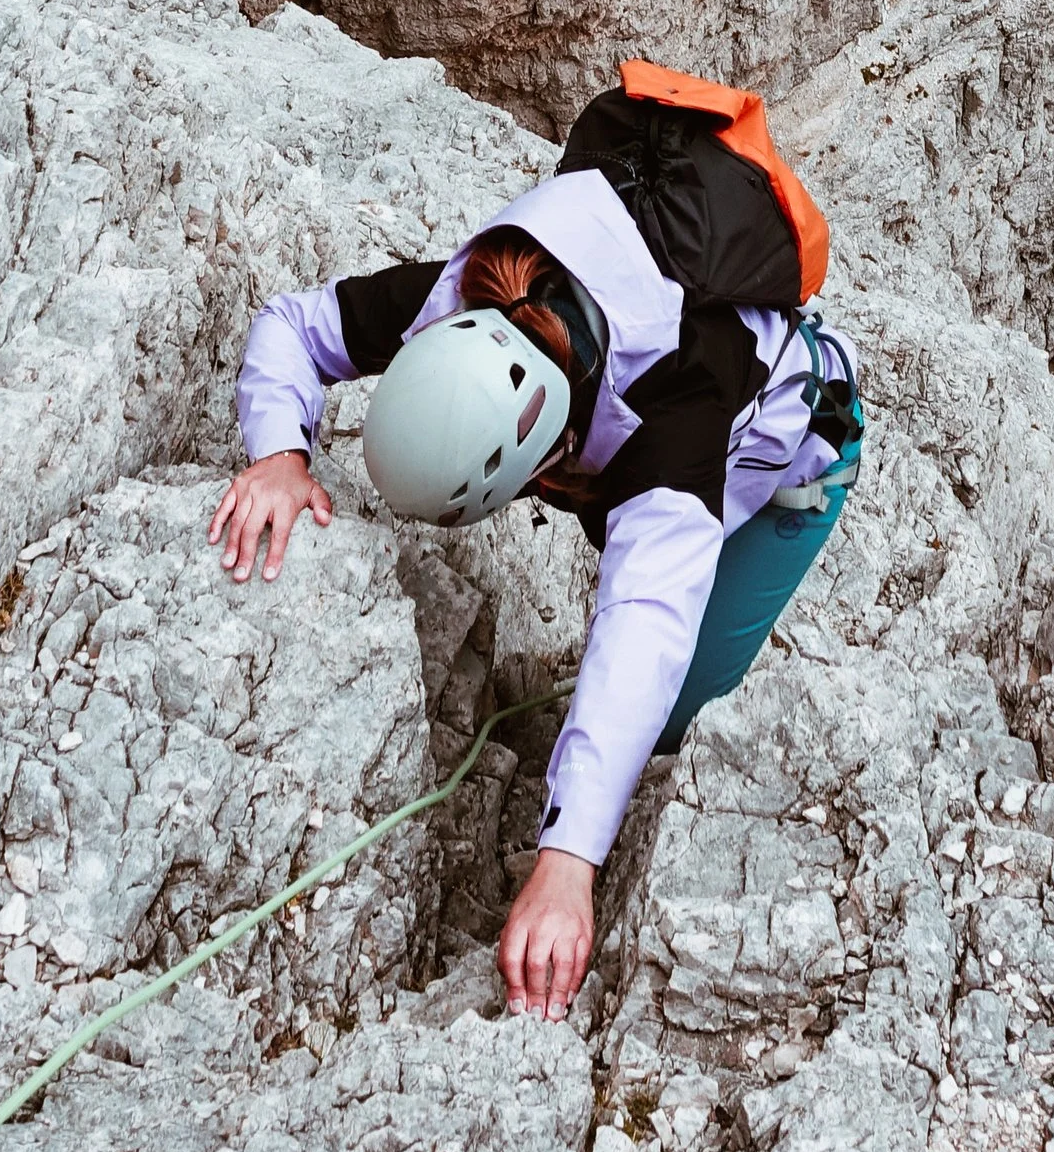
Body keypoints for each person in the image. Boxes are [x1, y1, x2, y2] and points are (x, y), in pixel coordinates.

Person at [208, 82, 861, 1026]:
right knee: (636, 703)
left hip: (794, 471)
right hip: (651, 412)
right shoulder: (467, 300)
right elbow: (295, 326)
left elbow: (645, 623)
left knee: (678, 716)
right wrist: (278, 452)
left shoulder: (676, 418)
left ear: (552, 457)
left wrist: (567, 865)